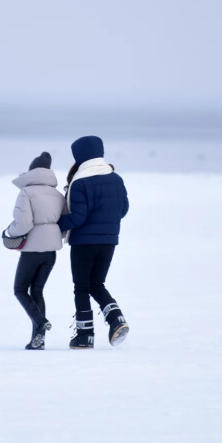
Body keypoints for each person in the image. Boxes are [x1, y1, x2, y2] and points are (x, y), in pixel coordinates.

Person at [58, 136, 130, 349]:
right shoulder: (116, 178)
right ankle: (116, 318)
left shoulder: (80, 181)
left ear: (79, 156)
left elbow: (78, 218)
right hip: (109, 240)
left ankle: (84, 335)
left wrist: (57, 224)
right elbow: (123, 210)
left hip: (84, 242)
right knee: (97, 284)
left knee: (81, 287)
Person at [4, 151, 65, 350]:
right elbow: (63, 224)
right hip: (51, 252)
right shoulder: (57, 194)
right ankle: (38, 340)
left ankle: (40, 322)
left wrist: (8, 234)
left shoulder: (26, 193)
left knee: (20, 289)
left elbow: (23, 224)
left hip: (32, 251)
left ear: (32, 172)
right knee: (37, 290)